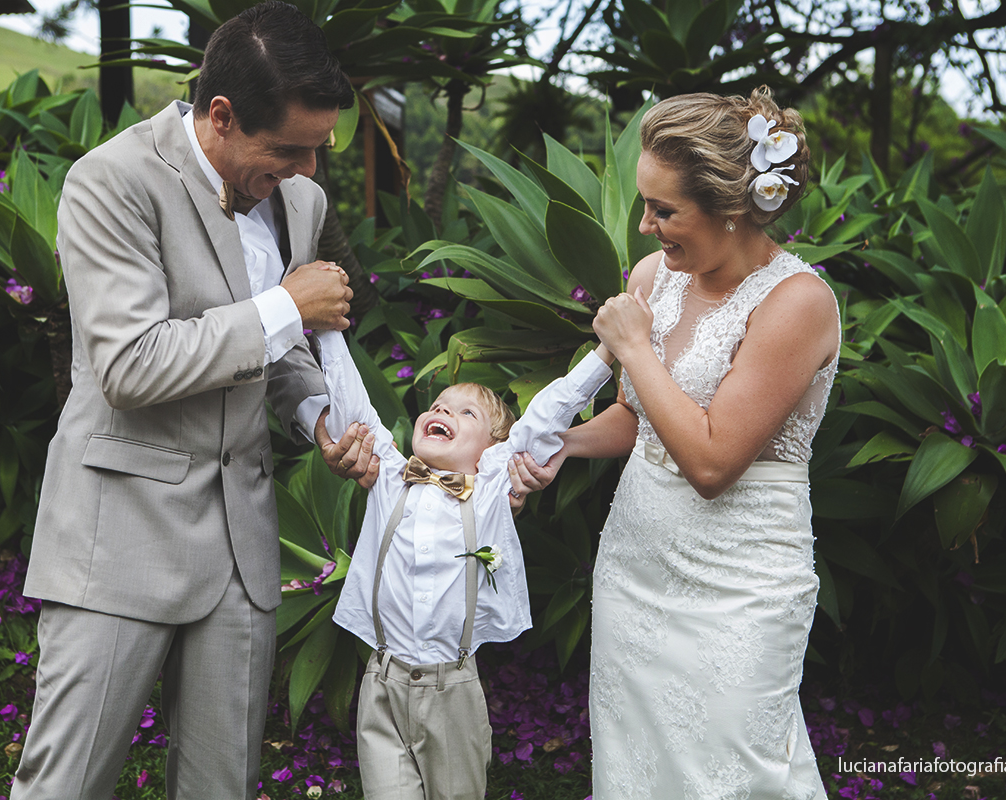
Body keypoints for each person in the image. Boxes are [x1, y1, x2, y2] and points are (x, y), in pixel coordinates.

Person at [11, 4, 380, 798]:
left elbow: (270, 357)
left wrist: (319, 417)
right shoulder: (110, 181)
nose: (308, 171)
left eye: (319, 149)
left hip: (243, 555)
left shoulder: (301, 203)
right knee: (63, 786)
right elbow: (131, 365)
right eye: (288, 149)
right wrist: (287, 306)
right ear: (221, 115)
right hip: (120, 538)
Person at [533, 88, 841, 798]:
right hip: (637, 567)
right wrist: (564, 445)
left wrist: (635, 348)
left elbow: (711, 461)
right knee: (637, 764)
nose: (645, 228)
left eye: (664, 210)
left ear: (732, 208)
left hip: (740, 585)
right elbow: (639, 419)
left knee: (734, 772)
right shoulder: (654, 279)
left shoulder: (797, 303)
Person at [314, 329, 614, 800]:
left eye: (464, 412)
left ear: (492, 447)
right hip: (381, 680)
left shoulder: (494, 484)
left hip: (450, 688)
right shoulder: (392, 476)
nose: (441, 411)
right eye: (437, 406)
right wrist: (328, 333)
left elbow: (548, 413)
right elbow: (352, 403)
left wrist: (606, 354)